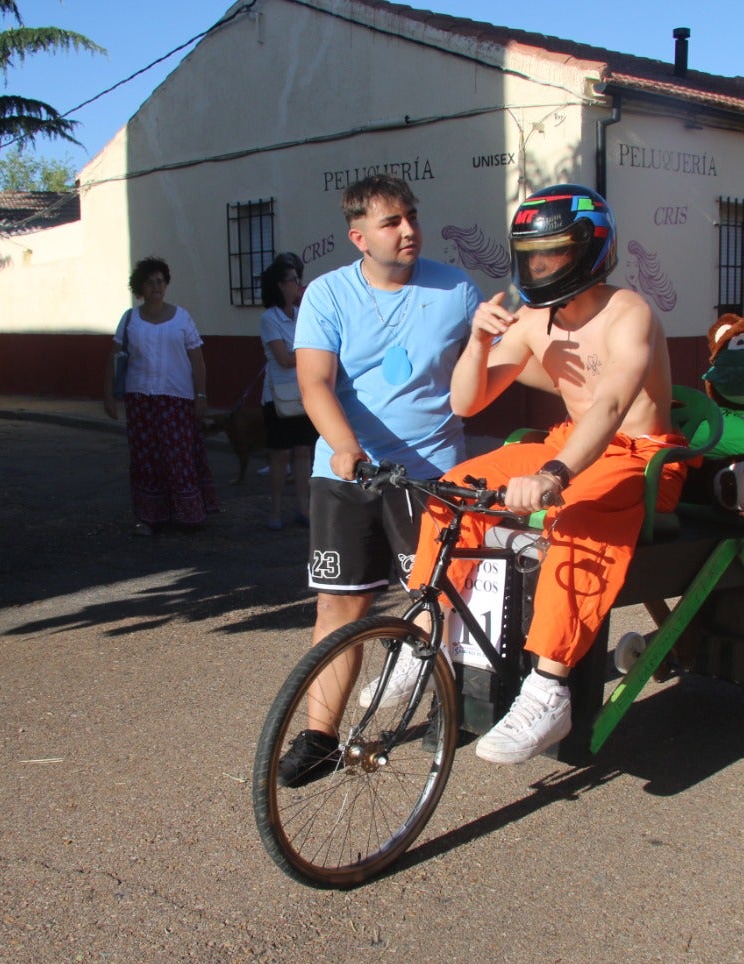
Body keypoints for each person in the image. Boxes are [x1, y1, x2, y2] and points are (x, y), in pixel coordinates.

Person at [403, 184, 686, 764]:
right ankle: (426, 633)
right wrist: (479, 342)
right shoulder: (536, 319)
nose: (542, 265)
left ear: (589, 248)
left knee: (577, 521)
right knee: (454, 490)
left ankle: (548, 688)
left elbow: (608, 408)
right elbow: (466, 402)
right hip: (569, 446)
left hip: (640, 455)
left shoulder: (629, 310)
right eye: (533, 254)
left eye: (554, 252)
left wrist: (556, 475)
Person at [275, 175, 482, 786]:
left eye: (412, 215)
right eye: (392, 222)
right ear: (359, 236)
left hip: (432, 473)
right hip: (350, 473)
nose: (409, 229)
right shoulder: (328, 294)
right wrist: (345, 447)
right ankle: (318, 737)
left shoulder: (457, 288)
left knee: (440, 600)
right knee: (341, 606)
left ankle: (443, 706)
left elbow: (496, 362)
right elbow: (313, 382)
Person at [101, 257, 217, 535]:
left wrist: (200, 394)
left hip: (176, 399)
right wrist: (108, 395)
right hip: (140, 399)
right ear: (140, 286)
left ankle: (188, 514)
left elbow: (197, 359)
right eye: (150, 281)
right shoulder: (130, 320)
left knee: (178, 456)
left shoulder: (181, 318)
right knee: (146, 459)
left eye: (160, 281)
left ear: (166, 285)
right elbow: (115, 357)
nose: (156, 286)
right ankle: (150, 517)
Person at [258, 252, 317, 531]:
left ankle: (303, 508)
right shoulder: (269, 319)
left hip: (304, 390)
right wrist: (310, 353)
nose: (298, 284)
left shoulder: (302, 314)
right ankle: (276, 509)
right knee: (280, 454)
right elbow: (283, 358)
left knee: (304, 451)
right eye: (293, 280)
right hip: (279, 397)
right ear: (281, 285)